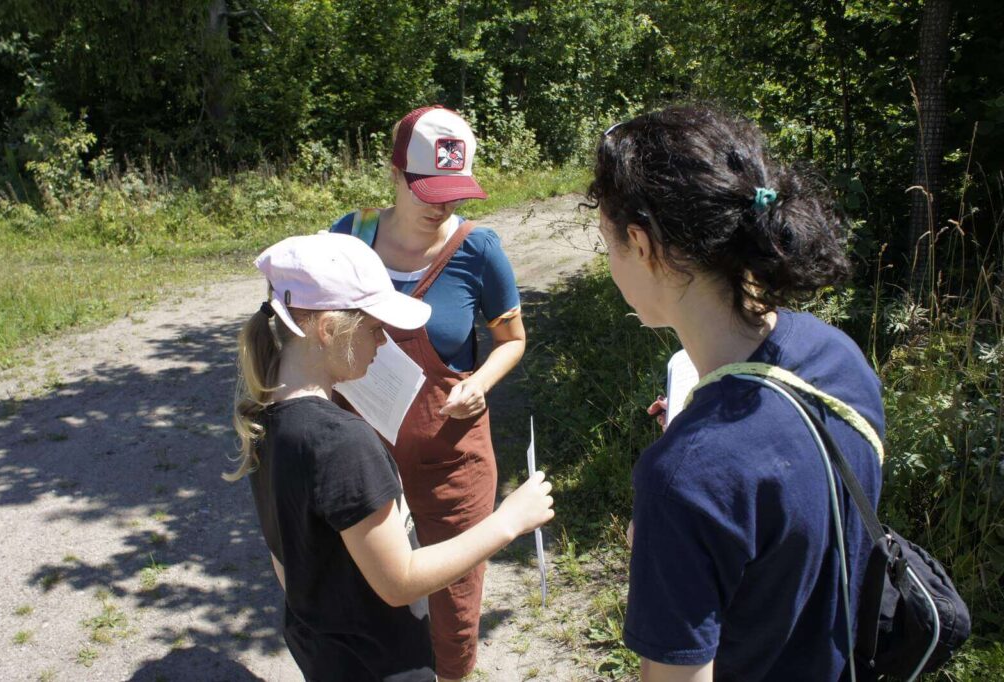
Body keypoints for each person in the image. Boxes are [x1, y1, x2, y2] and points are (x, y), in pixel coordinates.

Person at [587, 106, 884, 681]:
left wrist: (680, 495)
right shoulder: (837, 353)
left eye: (609, 246)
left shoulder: (684, 477)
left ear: (642, 245)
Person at [226, 232, 553, 682]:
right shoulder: (342, 442)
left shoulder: (262, 419)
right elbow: (399, 582)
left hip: (325, 654)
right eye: (378, 329)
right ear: (327, 330)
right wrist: (509, 520)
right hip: (383, 666)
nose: (385, 343)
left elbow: (283, 558)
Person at [329, 105, 525, 681]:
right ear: (395, 173)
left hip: (450, 454)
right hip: (360, 451)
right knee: (362, 588)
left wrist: (479, 383)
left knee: (454, 600)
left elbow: (511, 340)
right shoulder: (350, 234)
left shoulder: (478, 250)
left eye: (454, 191)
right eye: (427, 190)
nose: (442, 204)